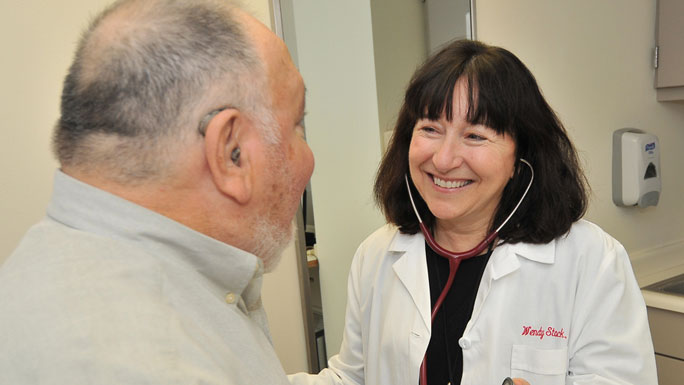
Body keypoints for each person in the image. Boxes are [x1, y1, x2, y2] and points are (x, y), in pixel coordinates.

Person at [289, 40, 657, 385]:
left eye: (475, 136)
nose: (445, 159)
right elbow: (353, 377)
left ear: (519, 157)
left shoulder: (591, 262)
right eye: (430, 128)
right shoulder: (377, 255)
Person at [0, 0, 313, 384]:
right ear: (232, 154)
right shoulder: (160, 365)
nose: (308, 158)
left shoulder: (50, 273)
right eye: (297, 124)